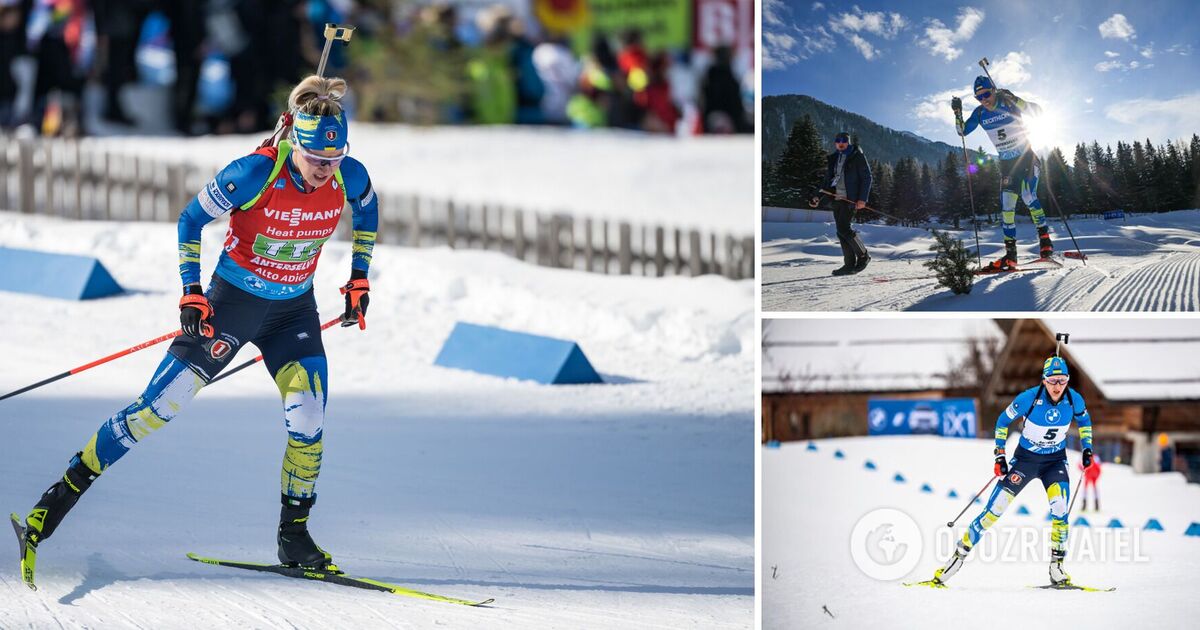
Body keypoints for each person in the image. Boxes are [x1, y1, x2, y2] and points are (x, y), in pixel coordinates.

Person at [13, 75, 379, 589]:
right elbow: (190, 220)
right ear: (296, 141)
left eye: (334, 159)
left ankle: (293, 537)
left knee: (309, 419)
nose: (325, 171)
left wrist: (359, 276)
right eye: (317, 159)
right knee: (157, 410)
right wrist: (192, 290)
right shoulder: (254, 172)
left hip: (293, 313)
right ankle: (52, 504)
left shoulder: (348, 174)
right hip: (232, 306)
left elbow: (368, 210)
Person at [929, 356, 1094, 587]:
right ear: (1044, 381)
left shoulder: (1073, 399)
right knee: (994, 510)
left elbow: (1085, 423)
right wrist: (1000, 455)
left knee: (1060, 508)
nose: (1058, 386)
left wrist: (1087, 449)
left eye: (1062, 380)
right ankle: (955, 559)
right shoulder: (1029, 398)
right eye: (1053, 380)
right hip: (1025, 461)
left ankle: (1057, 567)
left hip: (1055, 462)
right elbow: (1001, 422)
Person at [952, 75, 1051, 271]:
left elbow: (1038, 112)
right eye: (979, 97)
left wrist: (1015, 99)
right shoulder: (980, 114)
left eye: (987, 94)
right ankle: (1011, 256)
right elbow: (962, 131)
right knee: (1006, 207)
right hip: (1007, 165)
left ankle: (1046, 244)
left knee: (1028, 195)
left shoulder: (1008, 103)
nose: (984, 100)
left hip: (1027, 159)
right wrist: (957, 113)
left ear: (994, 90)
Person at [809, 132, 872, 275]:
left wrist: (862, 199)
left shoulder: (857, 156)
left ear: (848, 142)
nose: (841, 143)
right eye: (838, 141)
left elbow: (867, 177)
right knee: (840, 231)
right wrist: (817, 196)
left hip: (850, 199)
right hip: (836, 199)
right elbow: (827, 181)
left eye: (844, 140)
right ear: (835, 143)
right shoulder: (834, 158)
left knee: (844, 229)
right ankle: (849, 265)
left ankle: (863, 256)